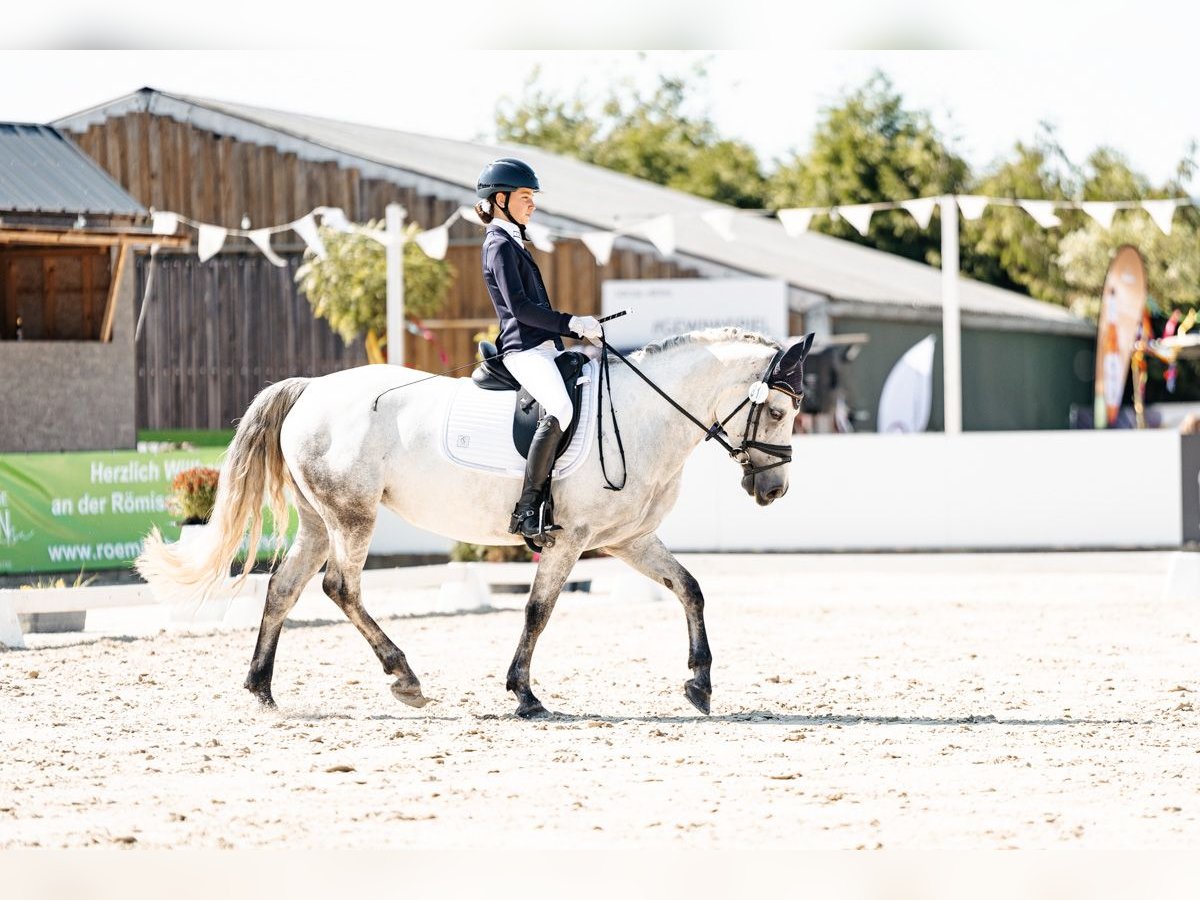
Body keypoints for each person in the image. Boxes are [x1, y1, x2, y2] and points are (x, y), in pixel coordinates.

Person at [475, 157, 603, 545]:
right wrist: (572, 323)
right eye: (525, 196)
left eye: (533, 197)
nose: (532, 204)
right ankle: (528, 507)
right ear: (501, 200)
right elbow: (521, 309)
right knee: (561, 408)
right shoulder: (498, 245)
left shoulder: (515, 242)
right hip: (523, 351)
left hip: (545, 348)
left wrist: (572, 331)